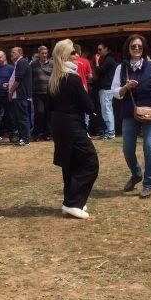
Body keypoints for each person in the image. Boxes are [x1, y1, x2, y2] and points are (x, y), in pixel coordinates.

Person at [111, 34, 151, 199]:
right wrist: (125, 87)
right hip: (130, 112)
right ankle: (136, 174)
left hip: (150, 112)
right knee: (127, 149)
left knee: (149, 147)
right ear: (128, 48)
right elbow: (115, 92)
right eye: (133, 46)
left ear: (143, 49)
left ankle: (148, 184)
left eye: (139, 47)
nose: (136, 49)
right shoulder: (121, 68)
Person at [48, 39, 99, 218]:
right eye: (73, 53)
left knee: (71, 162)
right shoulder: (72, 78)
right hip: (71, 125)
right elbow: (87, 104)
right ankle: (73, 202)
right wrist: (92, 109)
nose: (77, 56)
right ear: (65, 56)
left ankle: (73, 200)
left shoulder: (54, 78)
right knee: (90, 162)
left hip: (59, 125)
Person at [8, 46, 32, 146]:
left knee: (22, 117)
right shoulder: (19, 63)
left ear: (20, 53)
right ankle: (22, 137)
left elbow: (18, 80)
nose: (11, 54)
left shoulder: (21, 62)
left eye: (13, 52)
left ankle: (25, 139)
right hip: (19, 95)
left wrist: (10, 91)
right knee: (20, 117)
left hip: (21, 95)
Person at [94, 42, 117, 140]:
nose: (98, 52)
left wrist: (96, 61)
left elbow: (99, 71)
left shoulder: (109, 60)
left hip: (106, 88)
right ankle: (109, 131)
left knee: (106, 110)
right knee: (106, 110)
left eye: (100, 49)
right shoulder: (108, 60)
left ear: (106, 49)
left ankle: (110, 132)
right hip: (106, 88)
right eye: (98, 49)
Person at [30, 46, 53, 141]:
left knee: (48, 113)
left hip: (49, 92)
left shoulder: (52, 64)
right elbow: (30, 78)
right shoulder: (33, 64)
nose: (44, 55)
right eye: (42, 53)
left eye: (46, 53)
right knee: (39, 112)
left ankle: (47, 134)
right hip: (37, 92)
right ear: (39, 54)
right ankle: (37, 133)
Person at [72, 44, 93, 132]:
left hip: (72, 88)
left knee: (75, 109)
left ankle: (76, 129)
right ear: (80, 52)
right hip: (83, 88)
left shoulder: (71, 61)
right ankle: (85, 130)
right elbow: (90, 76)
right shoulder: (85, 61)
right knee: (85, 109)